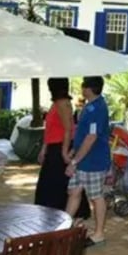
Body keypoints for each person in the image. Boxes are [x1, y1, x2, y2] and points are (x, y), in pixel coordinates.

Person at [65, 76, 111, 247]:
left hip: (93, 162)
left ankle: (99, 233)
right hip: (83, 160)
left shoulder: (97, 108)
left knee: (96, 196)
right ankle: (65, 225)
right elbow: (83, 135)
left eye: (83, 86)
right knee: (74, 191)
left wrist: (74, 161)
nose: (81, 89)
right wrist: (74, 151)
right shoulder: (90, 106)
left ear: (89, 89)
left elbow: (91, 137)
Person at [35, 78, 90, 220]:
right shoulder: (57, 103)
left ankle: (63, 215)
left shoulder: (63, 103)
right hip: (54, 147)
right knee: (51, 185)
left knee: (56, 185)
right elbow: (50, 130)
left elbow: (68, 130)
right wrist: (44, 148)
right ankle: (53, 215)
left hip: (60, 147)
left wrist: (64, 152)